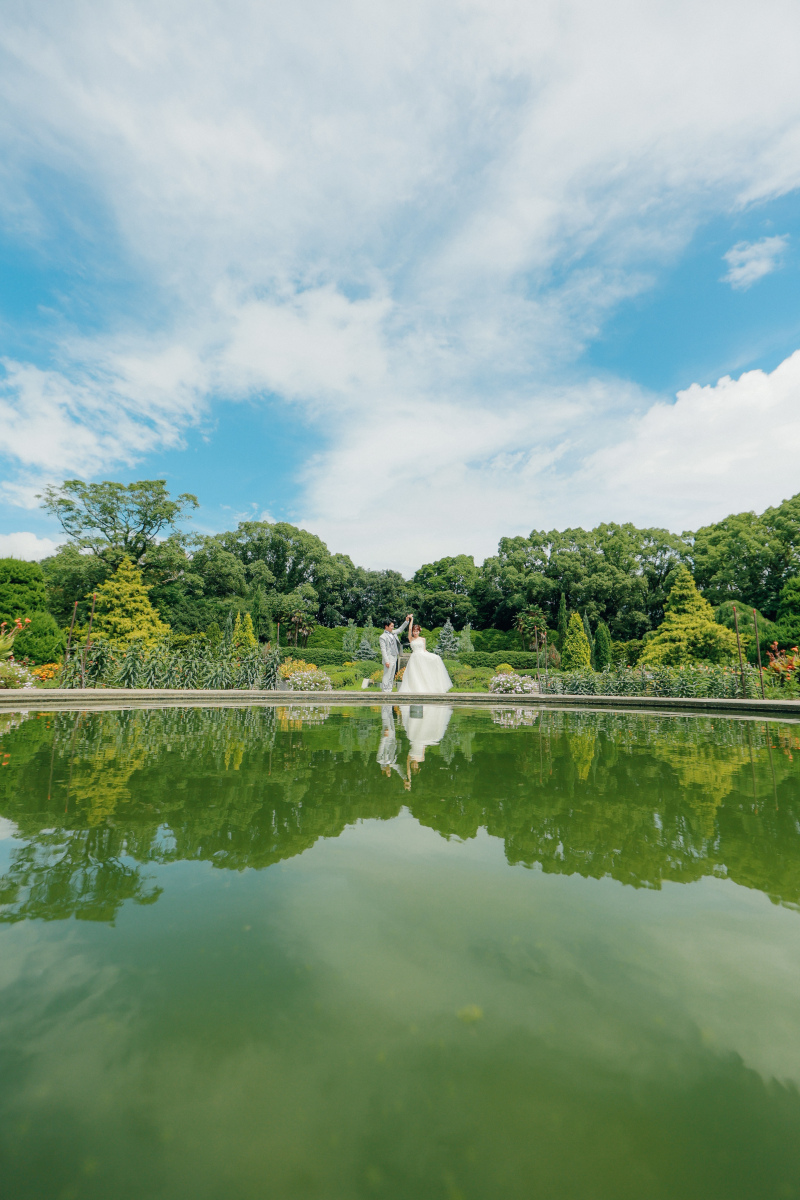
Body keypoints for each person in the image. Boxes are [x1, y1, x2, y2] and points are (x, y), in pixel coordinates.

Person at [398, 623, 452, 694]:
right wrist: (411, 620)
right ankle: (415, 689)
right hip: (414, 658)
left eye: (417, 631)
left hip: (422, 656)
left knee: (423, 673)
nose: (415, 632)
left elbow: (424, 649)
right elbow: (410, 629)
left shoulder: (423, 639)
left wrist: (431, 655)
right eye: (414, 631)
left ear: (419, 631)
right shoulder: (411, 639)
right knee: (414, 674)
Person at [379, 614, 412, 693]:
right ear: (386, 626)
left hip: (394, 656)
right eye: (391, 626)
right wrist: (387, 661)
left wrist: (406, 621)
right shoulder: (382, 637)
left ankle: (389, 690)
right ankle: (385, 691)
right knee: (387, 674)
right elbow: (383, 650)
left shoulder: (393, 633)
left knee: (392, 675)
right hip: (388, 657)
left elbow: (400, 629)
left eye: (393, 626)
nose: (393, 627)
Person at [377, 705, 405, 782]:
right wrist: (404, 778)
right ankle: (389, 703)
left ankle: (385, 702)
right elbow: (398, 768)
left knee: (386, 716)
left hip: (386, 735)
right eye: (390, 772)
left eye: (388, 772)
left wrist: (384, 737)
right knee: (391, 717)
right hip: (392, 737)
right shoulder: (391, 762)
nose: (389, 770)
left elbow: (381, 747)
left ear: (383, 771)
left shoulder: (380, 760)